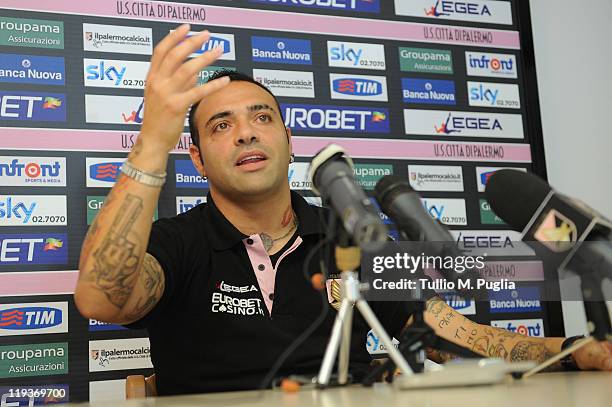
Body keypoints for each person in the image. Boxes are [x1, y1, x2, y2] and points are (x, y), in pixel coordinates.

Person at [75, 25, 612, 396]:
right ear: (194, 156)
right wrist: (151, 141)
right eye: (221, 125)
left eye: (261, 117)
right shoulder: (177, 241)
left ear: (287, 138)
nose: (245, 132)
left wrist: (572, 350)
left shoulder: (350, 233)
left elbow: (457, 335)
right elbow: (102, 298)